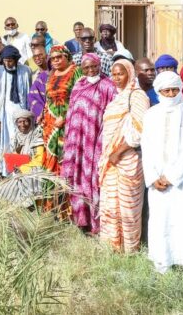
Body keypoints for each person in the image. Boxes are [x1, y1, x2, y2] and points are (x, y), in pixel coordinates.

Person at [141, 71, 183, 281]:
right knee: (162, 222)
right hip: (158, 182)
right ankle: (163, 265)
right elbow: (147, 147)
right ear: (158, 91)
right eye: (165, 90)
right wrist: (153, 177)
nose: (170, 94)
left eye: (174, 89)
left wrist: (173, 175)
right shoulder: (151, 114)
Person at [60, 53, 117, 234]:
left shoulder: (108, 86)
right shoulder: (78, 85)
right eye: (86, 67)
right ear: (81, 69)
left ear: (99, 65)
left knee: (93, 180)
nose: (91, 70)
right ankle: (80, 220)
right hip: (77, 143)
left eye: (94, 66)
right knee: (77, 179)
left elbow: (112, 115)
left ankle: (95, 224)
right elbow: (71, 113)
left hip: (96, 141)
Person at [97, 59, 149, 253]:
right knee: (111, 206)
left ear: (130, 73)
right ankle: (113, 249)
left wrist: (118, 152)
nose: (116, 78)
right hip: (111, 162)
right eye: (114, 74)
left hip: (128, 160)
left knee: (128, 209)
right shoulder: (116, 98)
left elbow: (139, 130)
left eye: (121, 73)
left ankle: (130, 251)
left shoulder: (137, 96)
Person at [37, 46, 79, 174]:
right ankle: (51, 191)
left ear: (66, 56)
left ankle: (65, 192)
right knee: (50, 157)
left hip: (69, 122)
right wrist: (42, 115)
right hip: (50, 123)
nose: (55, 60)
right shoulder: (51, 74)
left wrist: (65, 117)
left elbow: (79, 97)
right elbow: (48, 98)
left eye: (59, 57)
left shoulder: (76, 71)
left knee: (65, 154)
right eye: (53, 58)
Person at [0, 45, 33, 175]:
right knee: (9, 142)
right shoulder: (0, 71)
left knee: (22, 143)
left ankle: (21, 172)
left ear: (16, 60)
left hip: (22, 113)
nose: (8, 63)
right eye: (5, 61)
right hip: (6, 115)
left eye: (10, 60)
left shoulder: (26, 70)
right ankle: (9, 171)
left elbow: (29, 92)